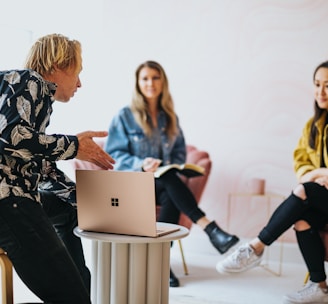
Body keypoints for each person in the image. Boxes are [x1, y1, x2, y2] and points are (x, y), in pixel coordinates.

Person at [0, 33, 115, 304]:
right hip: (8, 202)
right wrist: (74, 145)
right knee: (69, 298)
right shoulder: (30, 81)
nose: (79, 83)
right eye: (77, 72)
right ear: (57, 65)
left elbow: (39, 163)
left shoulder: (28, 94)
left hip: (16, 198)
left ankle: (81, 285)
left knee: (66, 209)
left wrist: (91, 202)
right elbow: (9, 137)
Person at [104, 60, 239, 287]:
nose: (150, 83)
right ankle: (210, 229)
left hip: (161, 185)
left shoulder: (170, 118)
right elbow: (114, 155)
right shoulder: (125, 116)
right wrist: (142, 164)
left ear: (163, 82)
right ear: (138, 83)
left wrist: (171, 165)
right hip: (134, 185)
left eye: (155, 78)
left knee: (169, 183)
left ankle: (160, 263)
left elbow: (178, 154)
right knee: (169, 182)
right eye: (145, 78)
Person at [216, 60, 328, 304]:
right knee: (301, 219)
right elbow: (301, 164)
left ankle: (255, 247)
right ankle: (319, 285)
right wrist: (320, 172)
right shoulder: (313, 126)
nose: (321, 91)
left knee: (303, 191)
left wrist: (315, 176)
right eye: (317, 84)